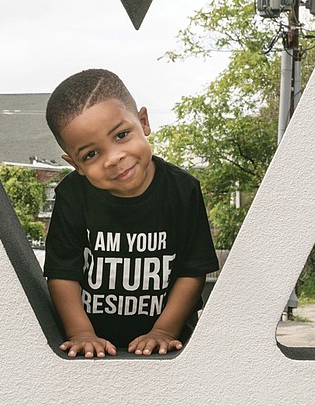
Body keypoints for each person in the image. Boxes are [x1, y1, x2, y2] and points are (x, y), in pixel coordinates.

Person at [44, 69, 219, 358]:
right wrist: (81, 333)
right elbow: (62, 275)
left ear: (143, 122)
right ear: (74, 163)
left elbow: (192, 272)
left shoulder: (181, 189)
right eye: (91, 154)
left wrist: (164, 331)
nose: (114, 158)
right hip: (94, 350)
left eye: (121, 135)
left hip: (170, 349)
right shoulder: (72, 196)